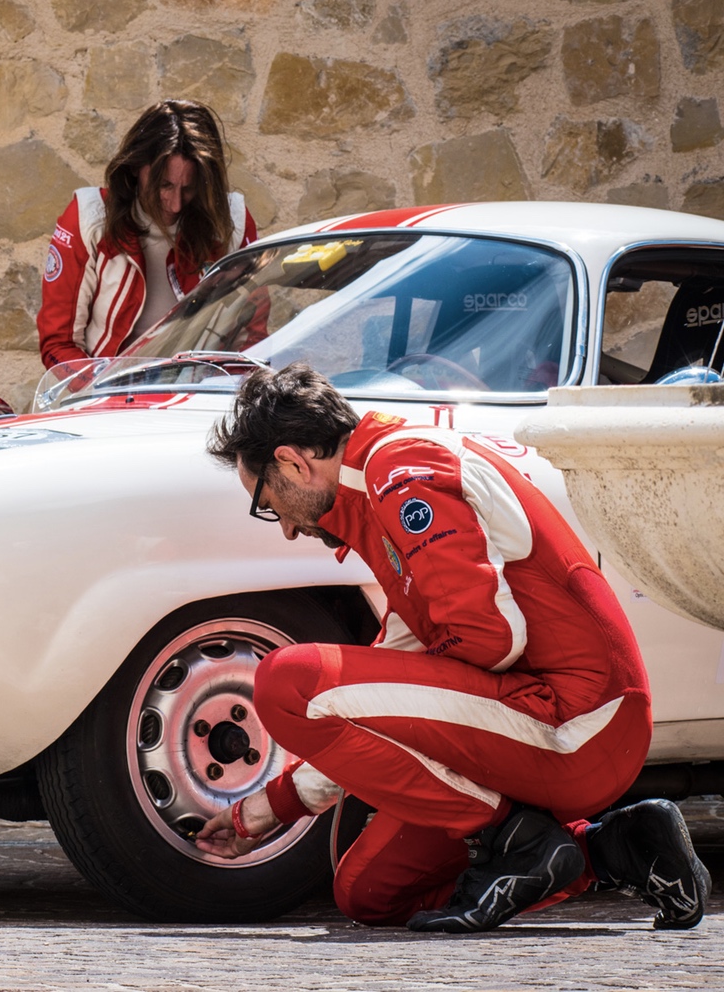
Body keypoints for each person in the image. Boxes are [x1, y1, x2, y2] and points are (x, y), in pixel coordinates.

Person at [199, 362, 710, 933]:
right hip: (544, 723)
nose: (286, 528)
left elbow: (490, 635)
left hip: (579, 725)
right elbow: (384, 691)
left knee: (286, 682)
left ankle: (517, 841)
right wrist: (264, 812)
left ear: (294, 461)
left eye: (267, 503)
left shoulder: (401, 470)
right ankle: (617, 848)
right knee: (368, 894)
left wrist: (397, 727)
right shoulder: (378, 488)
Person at [38, 100, 259, 370]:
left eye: (189, 188)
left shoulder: (232, 222)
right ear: (135, 167)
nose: (176, 204)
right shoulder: (89, 218)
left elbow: (252, 339)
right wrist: (102, 398)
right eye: (164, 185)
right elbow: (58, 344)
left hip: (197, 398)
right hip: (105, 397)